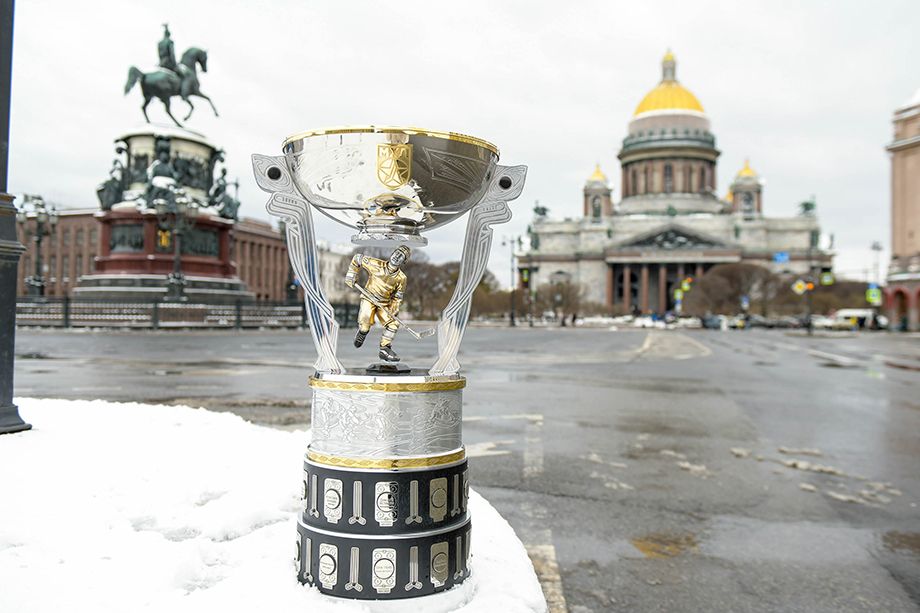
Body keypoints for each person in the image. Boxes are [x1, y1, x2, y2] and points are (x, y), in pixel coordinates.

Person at [345, 246, 409, 362]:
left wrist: (394, 309)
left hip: (384, 304)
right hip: (368, 298)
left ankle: (384, 349)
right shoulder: (376, 264)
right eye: (396, 253)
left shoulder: (402, 278)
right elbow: (357, 258)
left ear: (403, 262)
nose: (397, 257)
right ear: (392, 253)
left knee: (393, 324)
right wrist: (351, 274)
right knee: (365, 322)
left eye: (401, 256)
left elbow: (398, 297)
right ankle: (362, 332)